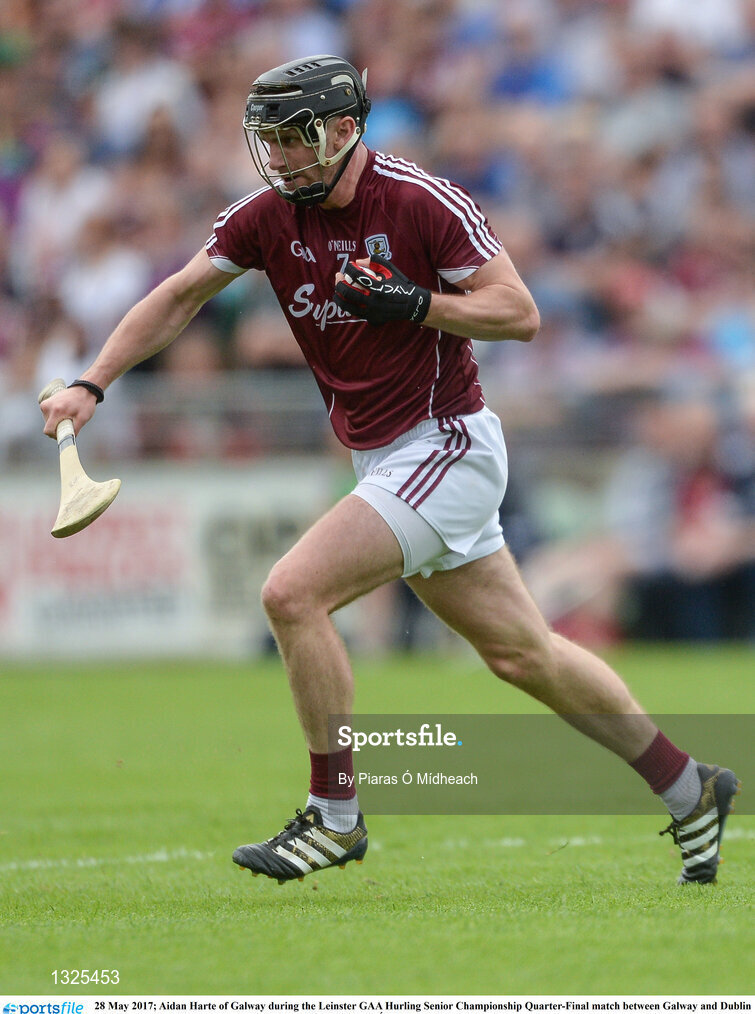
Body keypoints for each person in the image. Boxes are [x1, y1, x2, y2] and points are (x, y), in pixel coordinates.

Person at [41, 54, 739, 886]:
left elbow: (519, 311)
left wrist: (416, 303)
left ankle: (334, 818)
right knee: (524, 656)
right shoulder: (267, 215)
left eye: (295, 138)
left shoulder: (417, 200)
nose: (281, 157)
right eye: (269, 140)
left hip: (445, 443)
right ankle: (688, 787)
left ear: (344, 130)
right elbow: (180, 294)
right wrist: (93, 382)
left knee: (290, 592)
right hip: (387, 456)